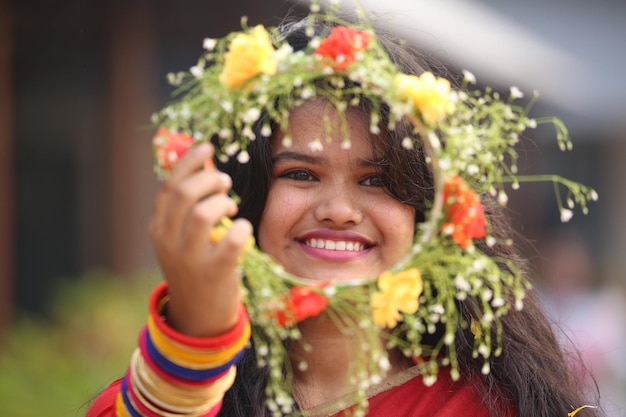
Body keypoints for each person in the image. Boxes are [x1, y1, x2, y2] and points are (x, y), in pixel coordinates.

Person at [86, 5, 602, 417]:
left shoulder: (492, 406)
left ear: (432, 213)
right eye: (300, 174)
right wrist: (196, 339)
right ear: (243, 198)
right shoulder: (171, 397)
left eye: (377, 180)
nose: (338, 211)